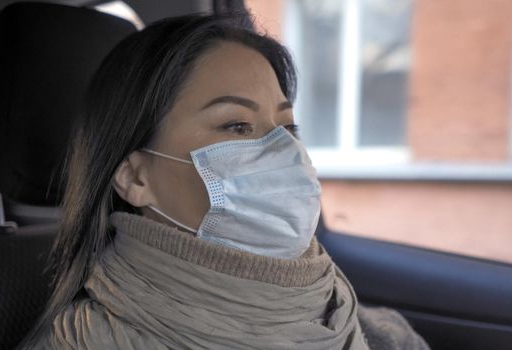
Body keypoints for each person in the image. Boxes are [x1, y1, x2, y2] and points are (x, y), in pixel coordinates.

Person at [22, 13, 429, 350]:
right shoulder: (86, 343)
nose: (284, 152)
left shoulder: (366, 326)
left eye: (288, 126)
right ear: (134, 177)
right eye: (237, 125)